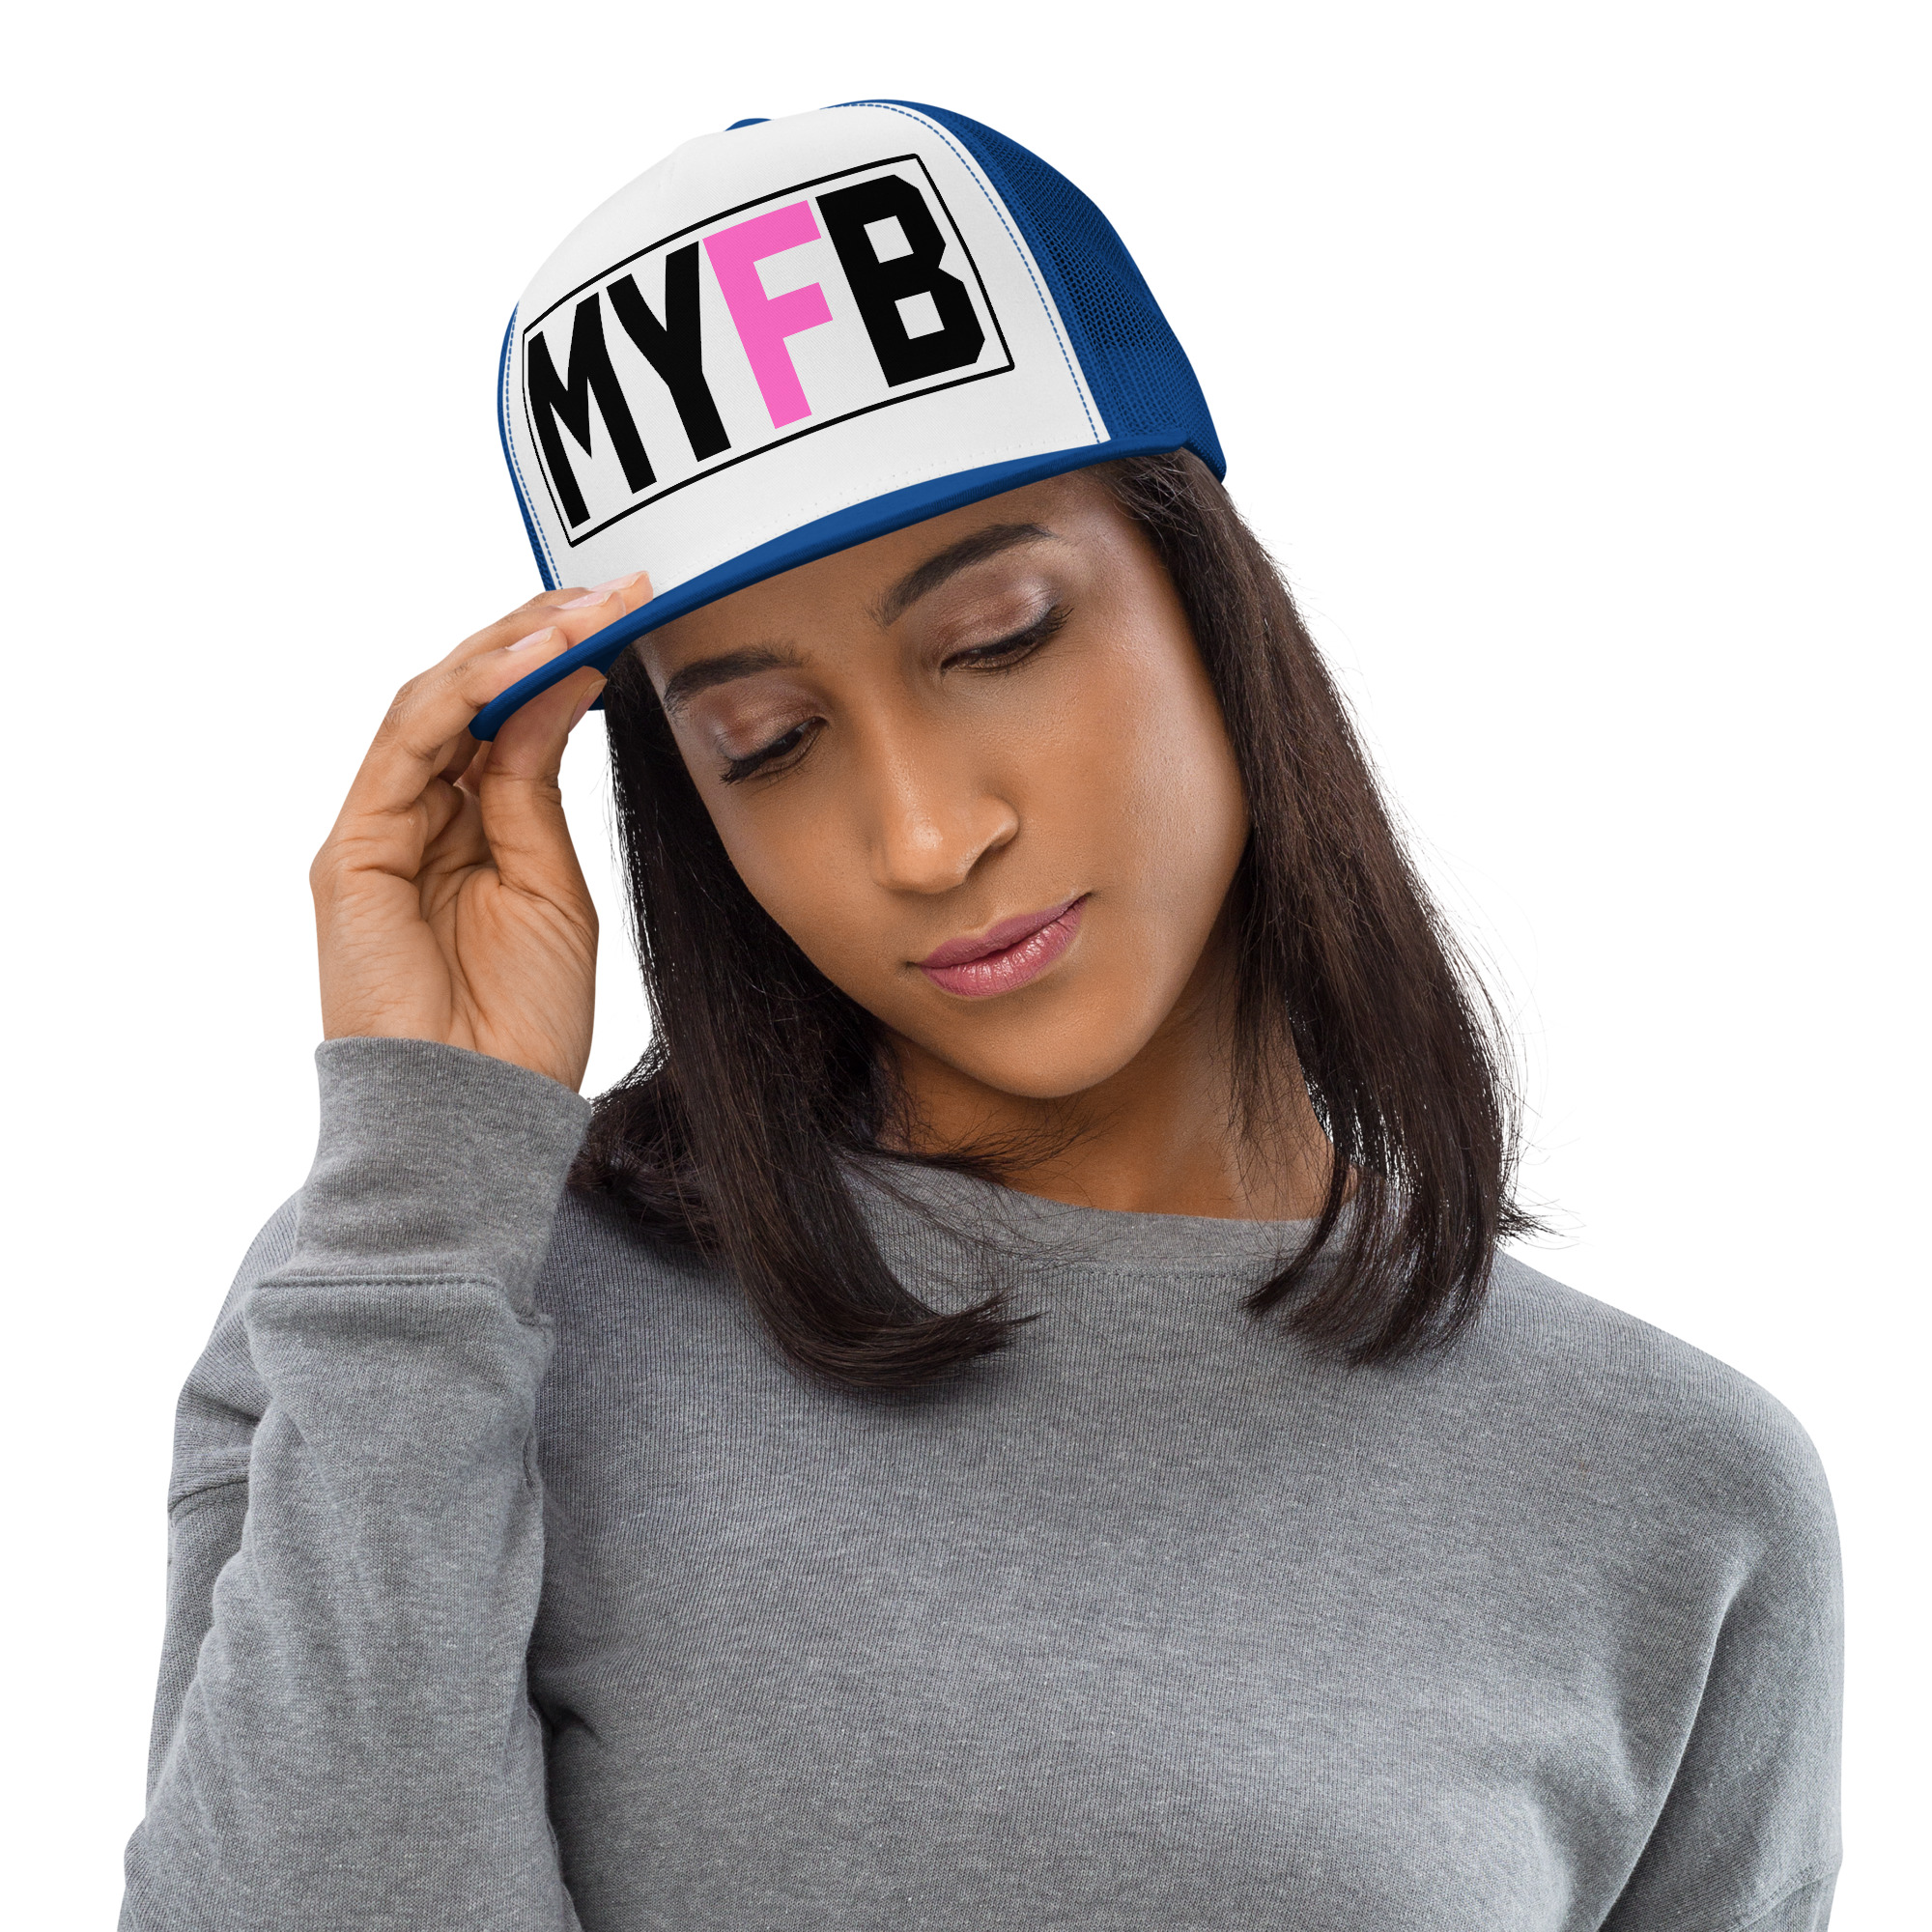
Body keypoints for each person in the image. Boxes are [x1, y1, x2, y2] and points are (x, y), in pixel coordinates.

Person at [120, 103, 1843, 1931]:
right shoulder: (428, 1301)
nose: (928, 838)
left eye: (999, 637)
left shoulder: (1680, 1494)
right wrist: (424, 1170)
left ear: (1207, 597)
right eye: (766, 743)